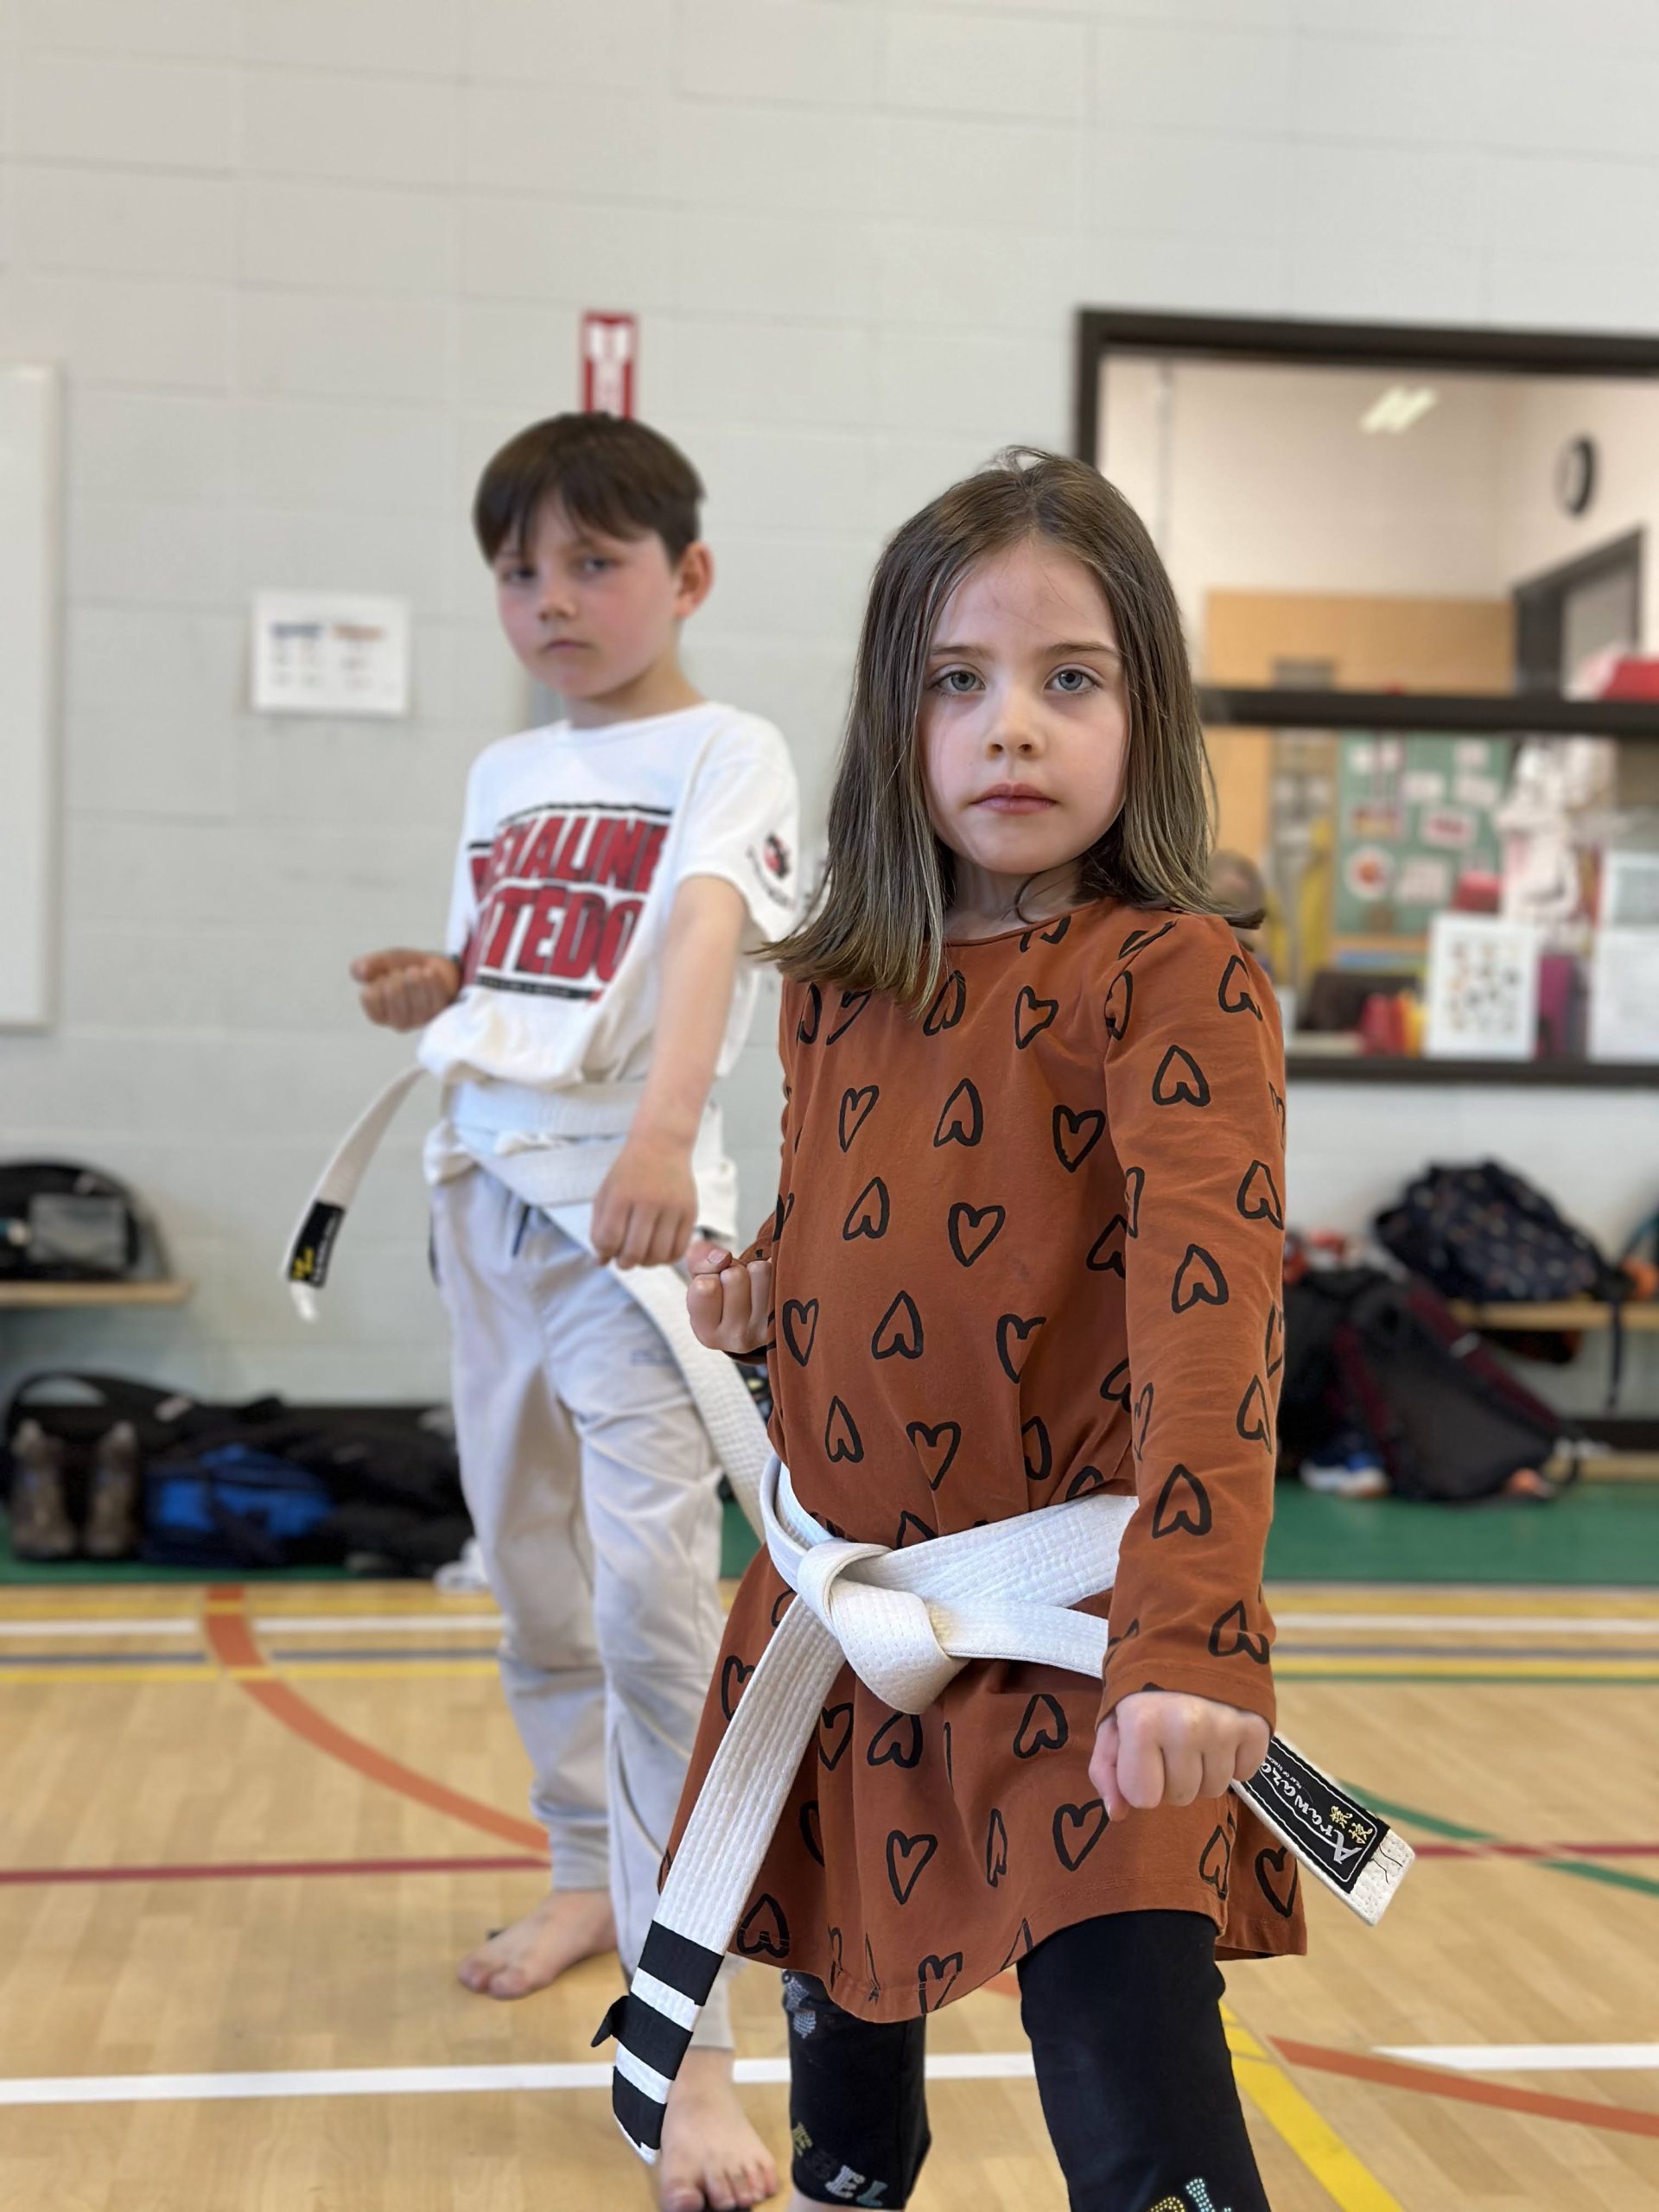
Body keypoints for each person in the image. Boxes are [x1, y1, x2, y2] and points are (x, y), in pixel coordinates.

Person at [650, 449, 1305, 2212]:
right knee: (846, 2109)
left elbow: (1213, 1322)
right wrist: (765, 1302)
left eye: (1068, 677)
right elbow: (869, 1231)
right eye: (959, 679)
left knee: (1141, 2106)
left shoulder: (1174, 976)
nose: (1011, 724)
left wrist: (1195, 1635)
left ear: (1145, 712)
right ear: (898, 715)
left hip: (1081, 1635)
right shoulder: (836, 988)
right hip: (846, 1620)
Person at [351, 412, 797, 2212]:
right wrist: (444, 981)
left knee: (651, 1613)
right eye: (519, 569)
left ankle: (692, 2049)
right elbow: (536, 966)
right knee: (531, 1574)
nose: (552, 598)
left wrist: (669, 1135)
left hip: (633, 1220)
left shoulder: (728, 747)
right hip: (480, 1198)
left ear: (687, 575)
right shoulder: (503, 768)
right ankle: (582, 1870)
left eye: (594, 562)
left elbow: (701, 934)